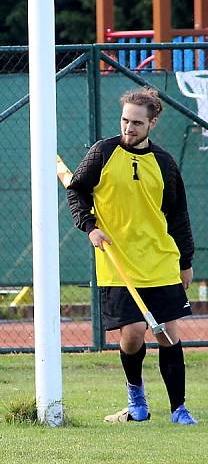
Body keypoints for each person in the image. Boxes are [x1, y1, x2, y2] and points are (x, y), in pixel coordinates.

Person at [67, 87, 197, 425]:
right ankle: (136, 397)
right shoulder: (102, 153)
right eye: (125, 120)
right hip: (118, 260)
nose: (129, 128)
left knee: (167, 332)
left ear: (152, 122)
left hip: (159, 259)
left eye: (137, 123)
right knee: (133, 333)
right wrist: (90, 227)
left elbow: (179, 216)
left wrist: (185, 262)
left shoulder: (165, 163)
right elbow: (76, 191)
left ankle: (179, 408)